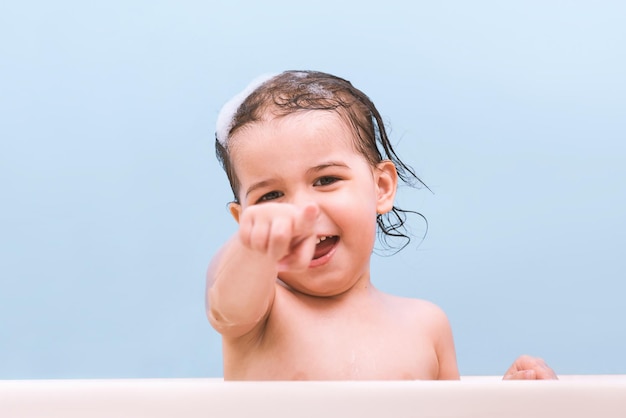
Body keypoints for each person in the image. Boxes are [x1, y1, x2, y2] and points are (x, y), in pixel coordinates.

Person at [206, 70, 557, 381]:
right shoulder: (259, 314)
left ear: (381, 188)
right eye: (270, 197)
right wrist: (253, 245)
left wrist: (511, 402)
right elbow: (225, 303)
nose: (301, 209)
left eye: (326, 179)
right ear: (243, 220)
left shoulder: (425, 326)